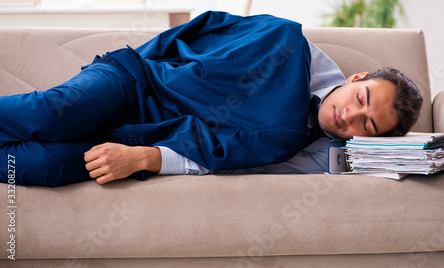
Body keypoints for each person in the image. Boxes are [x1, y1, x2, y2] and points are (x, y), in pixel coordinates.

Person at [0, 11, 422, 187]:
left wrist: (145, 158)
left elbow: (223, 159)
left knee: (46, 165)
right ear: (356, 77)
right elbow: (205, 29)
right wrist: (136, 68)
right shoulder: (291, 46)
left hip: (145, 137)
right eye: (361, 97)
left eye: (367, 124)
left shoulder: (311, 153)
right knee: (55, 117)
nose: (350, 115)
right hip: (131, 85)